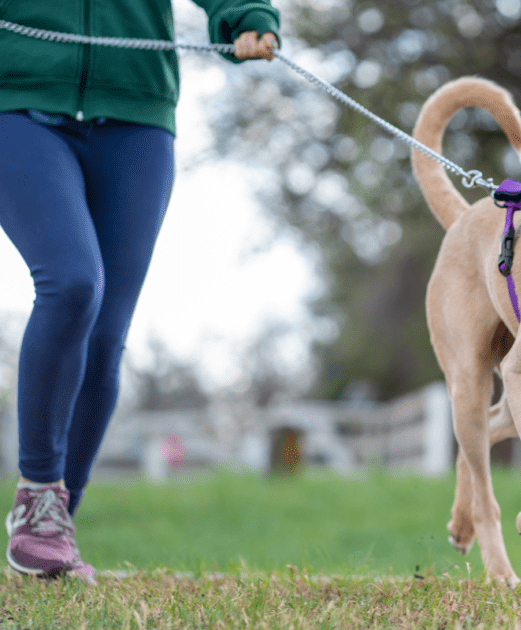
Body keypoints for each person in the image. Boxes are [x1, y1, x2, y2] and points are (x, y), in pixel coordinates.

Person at [0, 0, 280, 582]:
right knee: (74, 283)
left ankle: (53, 533)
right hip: (17, 99)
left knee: (105, 337)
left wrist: (244, 14)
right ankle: (38, 499)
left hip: (137, 114)